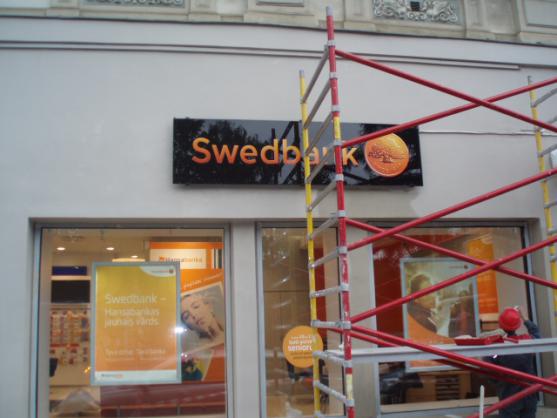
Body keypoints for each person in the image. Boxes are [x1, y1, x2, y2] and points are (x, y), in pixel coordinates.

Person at [486, 306, 540, 418]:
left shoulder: (497, 346)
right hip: (529, 392)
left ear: (500, 325)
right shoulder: (527, 340)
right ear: (518, 325)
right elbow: (537, 334)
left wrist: (498, 383)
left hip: (508, 394)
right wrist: (525, 318)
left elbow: (488, 365)